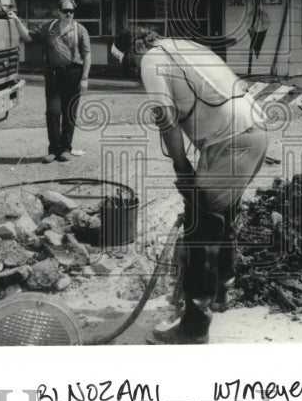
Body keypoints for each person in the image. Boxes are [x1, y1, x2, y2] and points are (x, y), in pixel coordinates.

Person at [113, 29, 268, 344]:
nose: (133, 70)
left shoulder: (151, 60)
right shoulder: (181, 45)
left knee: (201, 228)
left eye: (130, 63)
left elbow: (167, 120)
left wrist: (182, 169)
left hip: (230, 140)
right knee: (222, 215)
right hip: (255, 130)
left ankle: (194, 327)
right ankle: (222, 291)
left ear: (134, 50)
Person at [10, 0, 90, 163]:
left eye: (71, 11)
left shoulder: (80, 29)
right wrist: (16, 20)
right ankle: (54, 149)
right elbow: (27, 36)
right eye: (65, 11)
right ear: (59, 12)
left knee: (69, 113)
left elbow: (87, 54)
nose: (69, 14)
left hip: (73, 74)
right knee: (53, 112)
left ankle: (66, 149)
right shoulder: (49, 27)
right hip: (53, 75)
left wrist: (85, 78)